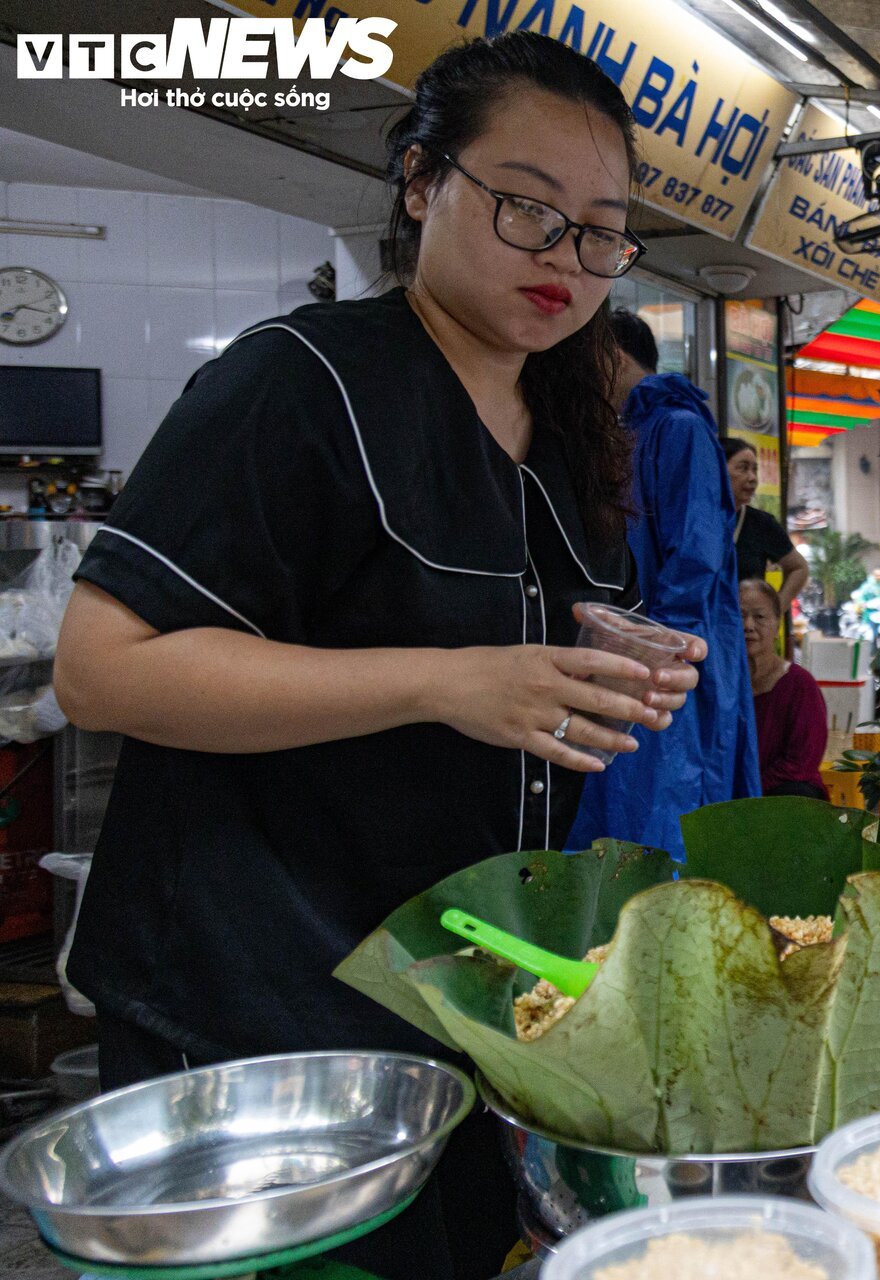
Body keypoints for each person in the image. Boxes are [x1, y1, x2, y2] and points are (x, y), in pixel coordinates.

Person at [50, 32, 704, 1280]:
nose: (566, 258)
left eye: (600, 231)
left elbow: (507, 646)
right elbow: (103, 664)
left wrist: (607, 661)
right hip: (263, 1011)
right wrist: (444, 680)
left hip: (458, 1000)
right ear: (420, 182)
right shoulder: (295, 384)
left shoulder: (566, 425)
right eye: (526, 208)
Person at [566, 312, 758, 859]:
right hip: (641, 647)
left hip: (670, 652)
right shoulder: (628, 430)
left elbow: (694, 553)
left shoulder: (678, 426)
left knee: (668, 804)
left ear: (613, 355)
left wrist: (655, 648)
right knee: (626, 800)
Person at [741, 578, 828, 799]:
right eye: (740, 615)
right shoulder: (721, 686)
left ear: (777, 623)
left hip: (783, 795)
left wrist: (751, 791)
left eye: (759, 617)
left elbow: (802, 762)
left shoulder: (799, 684)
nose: (748, 625)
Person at [725, 437, 810, 609]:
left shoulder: (761, 523)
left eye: (754, 470)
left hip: (743, 630)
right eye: (743, 468)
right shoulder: (693, 521)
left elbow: (799, 568)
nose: (752, 478)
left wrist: (774, 612)